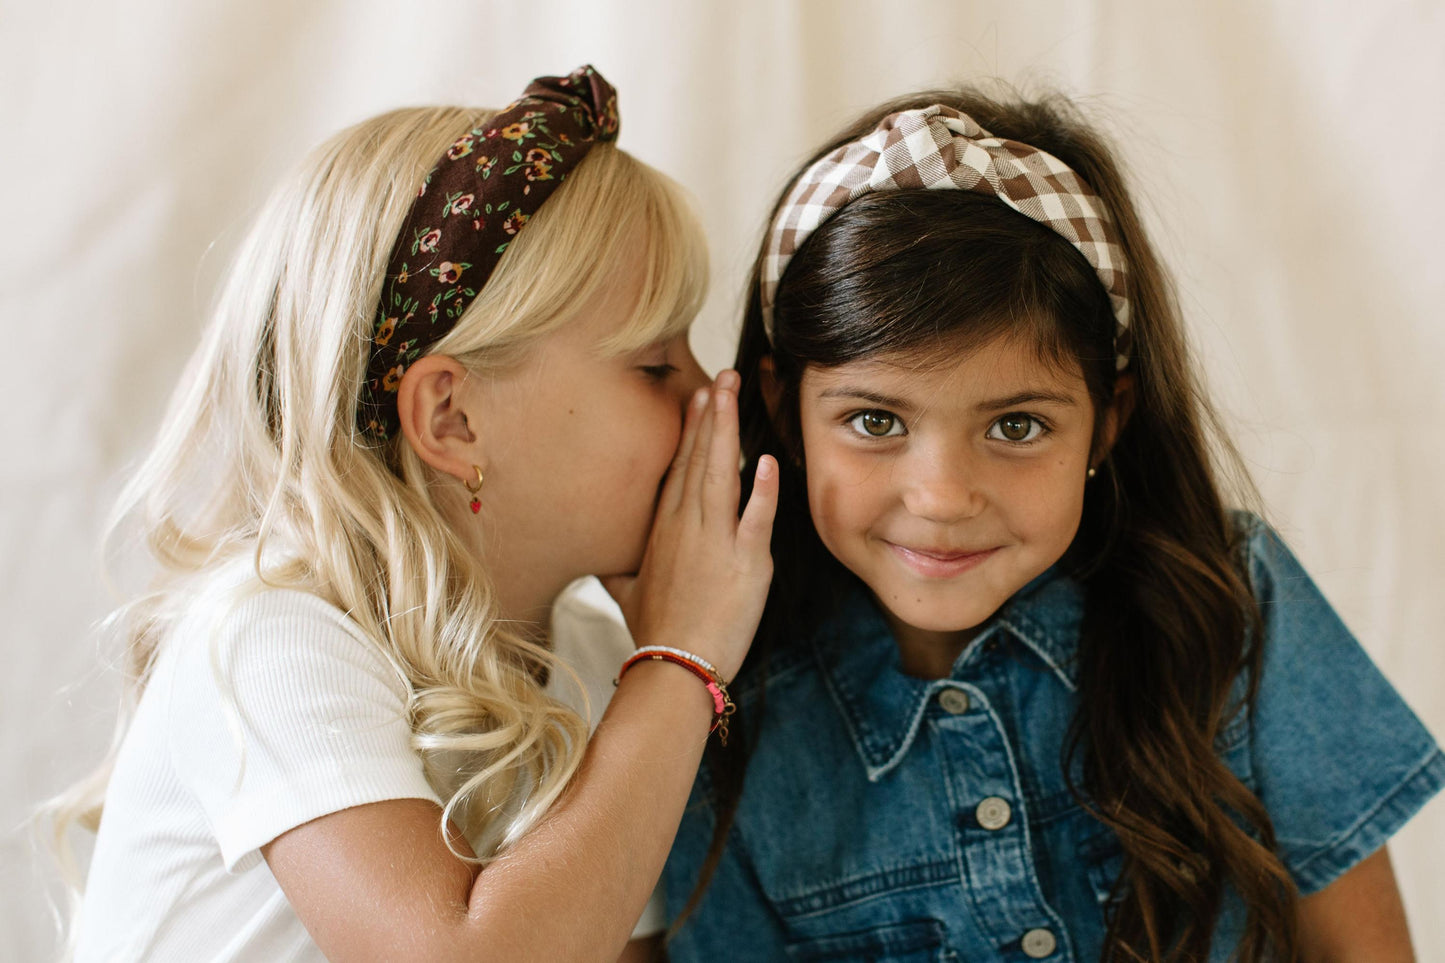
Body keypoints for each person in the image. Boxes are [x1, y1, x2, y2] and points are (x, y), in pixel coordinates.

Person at [661, 86, 1444, 962]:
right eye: (876, 421)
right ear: (783, 406)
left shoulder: (1227, 604)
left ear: (1106, 423)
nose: (943, 496)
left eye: (1015, 426)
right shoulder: (719, 708)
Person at [45, 65, 778, 963]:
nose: (716, 401)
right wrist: (679, 662)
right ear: (452, 418)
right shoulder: (275, 638)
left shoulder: (590, 658)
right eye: (657, 366)